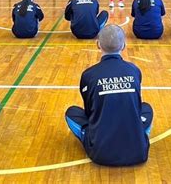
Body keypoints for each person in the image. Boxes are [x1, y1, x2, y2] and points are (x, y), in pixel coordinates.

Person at [65, 25, 153, 166]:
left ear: (98, 44)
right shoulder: (134, 71)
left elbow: (90, 112)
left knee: (71, 113)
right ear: (123, 46)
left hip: (100, 154)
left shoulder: (89, 75)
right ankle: (138, 136)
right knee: (146, 108)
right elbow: (135, 106)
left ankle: (94, 138)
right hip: (139, 152)